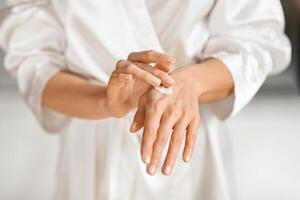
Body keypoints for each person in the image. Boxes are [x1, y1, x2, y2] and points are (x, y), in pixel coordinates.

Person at [0, 0, 291, 199]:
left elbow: (256, 41)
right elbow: (34, 65)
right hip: (90, 144)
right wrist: (107, 101)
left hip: (195, 146)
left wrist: (191, 84)